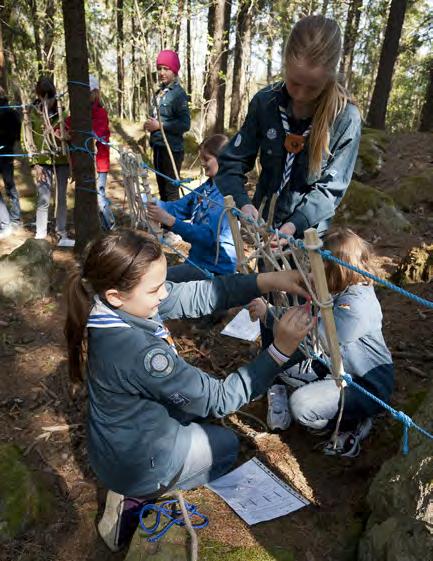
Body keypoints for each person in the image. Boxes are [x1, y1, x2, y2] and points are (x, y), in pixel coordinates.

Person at [64, 229, 313, 551]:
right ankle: (136, 497)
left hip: (116, 446)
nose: (164, 296)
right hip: (137, 463)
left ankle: (133, 481)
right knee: (225, 445)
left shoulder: (113, 307)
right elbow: (219, 400)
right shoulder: (140, 353)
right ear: (117, 295)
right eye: (155, 289)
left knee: (198, 421)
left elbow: (198, 294)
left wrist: (269, 281)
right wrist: (279, 350)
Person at [248, 228, 395, 457]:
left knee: (301, 406)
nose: (309, 273)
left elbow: (309, 334)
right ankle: (329, 404)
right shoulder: (340, 290)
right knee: (283, 366)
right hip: (335, 367)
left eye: (316, 268)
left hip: (365, 385)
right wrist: (274, 310)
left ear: (334, 270)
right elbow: (309, 321)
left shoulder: (357, 306)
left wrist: (269, 315)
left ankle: (353, 424)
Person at [215, 15, 361, 243]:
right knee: (266, 277)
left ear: (330, 76)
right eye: (294, 82)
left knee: (301, 280)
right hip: (265, 226)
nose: (300, 95)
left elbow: (332, 188)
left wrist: (295, 225)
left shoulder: (345, 118)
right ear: (285, 64)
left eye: (312, 88)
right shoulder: (266, 103)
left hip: (308, 236)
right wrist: (243, 203)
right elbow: (231, 162)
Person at [146, 134, 237, 282]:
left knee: (159, 282)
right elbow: (179, 207)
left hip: (215, 269)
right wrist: (153, 203)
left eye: (206, 159)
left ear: (222, 159)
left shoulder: (226, 196)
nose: (202, 163)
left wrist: (170, 221)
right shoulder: (207, 187)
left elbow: (207, 237)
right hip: (198, 260)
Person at [144, 50, 190, 243]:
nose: (162, 73)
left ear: (174, 71)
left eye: (166, 69)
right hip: (159, 147)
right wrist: (150, 127)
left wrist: (160, 126)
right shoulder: (158, 93)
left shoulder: (178, 94)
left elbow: (184, 124)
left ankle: (174, 229)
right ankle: (165, 227)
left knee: (171, 190)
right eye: (159, 69)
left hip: (172, 149)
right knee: (162, 188)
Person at [65, 75, 115, 230]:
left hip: (99, 163)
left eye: (88, 93)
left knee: (99, 197)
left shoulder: (100, 113)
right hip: (85, 163)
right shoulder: (79, 114)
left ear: (95, 93)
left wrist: (73, 133)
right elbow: (67, 123)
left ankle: (111, 227)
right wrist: (60, 130)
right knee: (89, 196)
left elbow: (95, 134)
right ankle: (100, 227)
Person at [29, 76, 72, 245]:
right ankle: (40, 234)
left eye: (50, 97)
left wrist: (64, 136)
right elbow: (27, 139)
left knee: (61, 197)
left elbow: (70, 135)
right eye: (43, 97)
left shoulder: (62, 112)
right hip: (42, 161)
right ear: (39, 96)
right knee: (43, 198)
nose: (47, 102)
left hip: (61, 161)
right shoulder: (32, 113)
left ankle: (61, 232)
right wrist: (35, 163)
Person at [0, 87, 22, 239]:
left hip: (6, 155)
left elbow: (15, 133)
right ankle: (5, 221)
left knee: (10, 185)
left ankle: (14, 219)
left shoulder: (10, 112)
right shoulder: (11, 112)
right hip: (5, 154)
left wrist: (7, 143)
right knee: (10, 186)